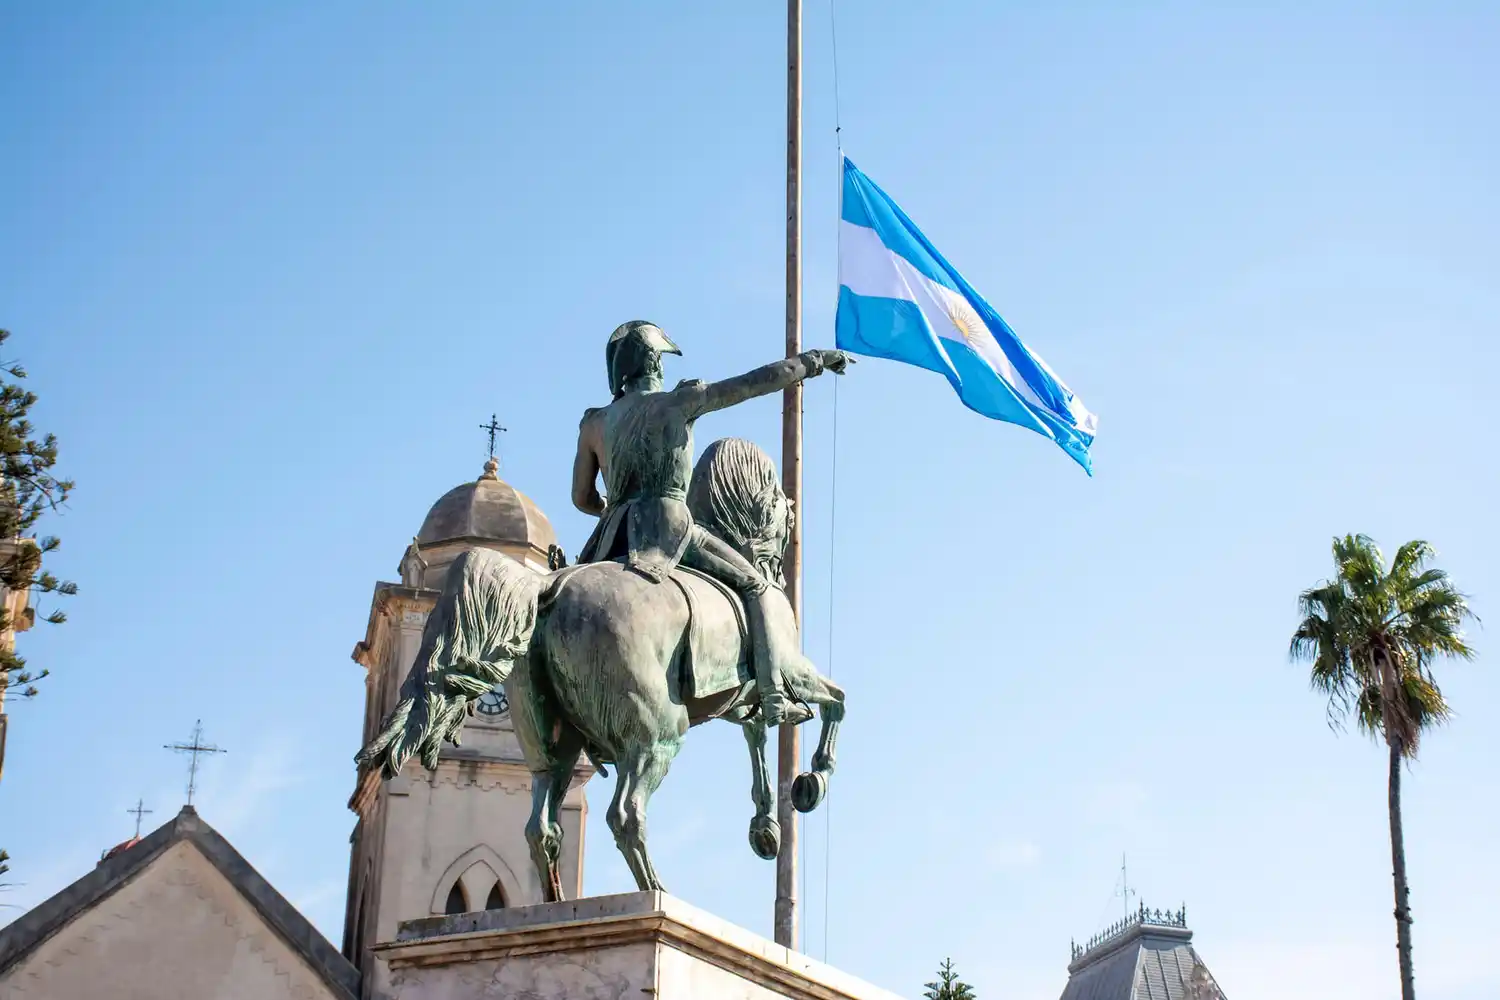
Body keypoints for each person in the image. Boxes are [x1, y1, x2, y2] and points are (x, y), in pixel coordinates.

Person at [572, 320, 852, 726]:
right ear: (654, 362)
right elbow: (757, 381)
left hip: (608, 538)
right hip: (670, 530)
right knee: (756, 585)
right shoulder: (679, 402)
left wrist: (612, 511)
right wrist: (815, 361)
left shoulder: (594, 423)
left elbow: (582, 498)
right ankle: (774, 694)